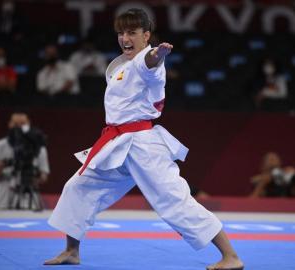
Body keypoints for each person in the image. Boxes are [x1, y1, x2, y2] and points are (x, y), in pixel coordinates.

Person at [44, 8, 243, 270]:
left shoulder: (145, 62)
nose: (125, 38)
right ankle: (71, 251)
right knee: (77, 187)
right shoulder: (121, 66)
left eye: (132, 33)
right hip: (116, 146)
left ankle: (231, 256)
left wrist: (157, 54)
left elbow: (149, 63)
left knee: (173, 200)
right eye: (121, 33)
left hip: (143, 146)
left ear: (146, 35)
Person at [0, 112, 50, 210]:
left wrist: (32, 177)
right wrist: (1, 166)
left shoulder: (38, 147)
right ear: (9, 124)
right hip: (4, 199)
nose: (19, 128)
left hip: (28, 201)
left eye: (22, 124)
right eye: (16, 124)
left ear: (28, 125)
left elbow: (44, 176)